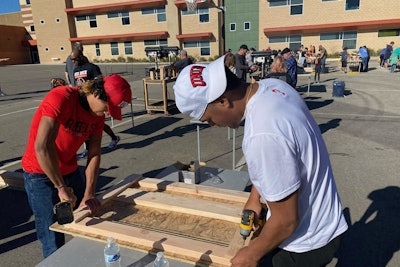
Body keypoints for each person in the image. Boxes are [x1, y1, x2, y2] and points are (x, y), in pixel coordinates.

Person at [173, 55, 348, 267]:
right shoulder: (272, 87)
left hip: (306, 241)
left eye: (208, 118)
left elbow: (286, 221)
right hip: (325, 217)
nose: (213, 125)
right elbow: (283, 162)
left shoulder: (262, 134)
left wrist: (251, 255)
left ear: (222, 101)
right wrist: (255, 197)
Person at [22, 74, 132, 258]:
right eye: (107, 108)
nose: (106, 113)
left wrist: (89, 193)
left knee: (90, 219)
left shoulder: (97, 116)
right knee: (52, 235)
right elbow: (42, 147)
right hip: (40, 173)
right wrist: (60, 187)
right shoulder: (62, 97)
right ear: (97, 94)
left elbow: (94, 153)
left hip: (70, 169)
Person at [71, 48, 121, 158]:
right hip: (82, 101)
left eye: (74, 59)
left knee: (100, 124)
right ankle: (87, 149)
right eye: (71, 60)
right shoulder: (75, 69)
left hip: (92, 101)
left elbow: (100, 81)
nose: (73, 62)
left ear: (80, 57)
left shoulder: (91, 67)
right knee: (85, 126)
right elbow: (76, 84)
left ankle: (114, 137)